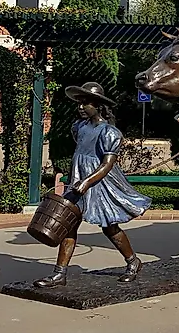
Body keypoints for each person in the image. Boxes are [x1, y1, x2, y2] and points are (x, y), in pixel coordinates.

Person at [33, 81, 151, 289]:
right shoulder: (78, 127)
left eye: (85, 103)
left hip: (99, 185)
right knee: (68, 225)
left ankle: (133, 261)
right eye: (78, 102)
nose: (80, 107)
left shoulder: (110, 133)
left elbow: (107, 165)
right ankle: (59, 274)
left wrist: (87, 182)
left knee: (110, 227)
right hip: (78, 181)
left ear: (98, 105)